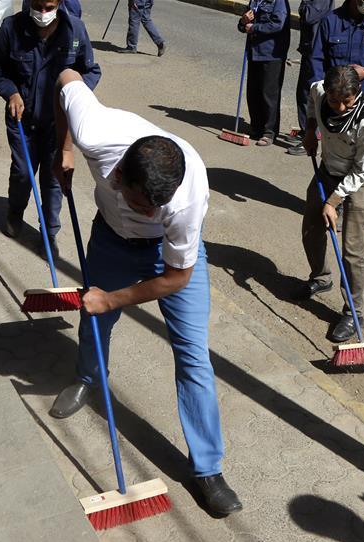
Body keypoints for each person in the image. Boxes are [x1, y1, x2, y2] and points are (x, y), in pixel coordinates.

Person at [49, 68, 242, 516]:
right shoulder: (96, 133)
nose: (149, 211)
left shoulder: (187, 198)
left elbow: (176, 279)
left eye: (156, 208)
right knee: (93, 322)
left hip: (166, 260)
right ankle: (87, 378)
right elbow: (66, 77)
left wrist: (113, 297)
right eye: (142, 203)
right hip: (111, 242)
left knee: (193, 351)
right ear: (122, 177)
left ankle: (207, 468)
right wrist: (64, 148)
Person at [0, 0, 100, 258]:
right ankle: (15, 213)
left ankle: (49, 233)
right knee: (23, 174)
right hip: (22, 120)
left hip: (56, 124)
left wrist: (75, 95)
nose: (43, 13)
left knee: (53, 179)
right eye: (38, 5)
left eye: (49, 6)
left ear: (59, 3)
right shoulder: (12, 28)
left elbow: (90, 71)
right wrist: (11, 92)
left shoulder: (75, 31)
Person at [296, 66, 364, 342]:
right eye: (335, 101)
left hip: (360, 179)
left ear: (357, 94)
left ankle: (353, 312)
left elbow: (360, 171)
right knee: (311, 227)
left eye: (347, 101)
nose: (340, 107)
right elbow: (311, 102)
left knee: (352, 249)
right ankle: (321, 278)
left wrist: (334, 202)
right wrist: (310, 131)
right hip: (328, 168)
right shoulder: (320, 90)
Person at [311, 0, 364, 240]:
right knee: (338, 156)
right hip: (337, 104)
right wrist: (320, 95)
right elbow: (317, 61)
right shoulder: (331, 21)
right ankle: (335, 205)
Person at [238, 0, 291, 147]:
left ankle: (269, 132)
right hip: (254, 51)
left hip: (272, 53)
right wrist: (243, 21)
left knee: (269, 93)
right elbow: (243, 25)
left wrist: (254, 27)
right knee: (253, 92)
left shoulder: (279, 2)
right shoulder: (255, 0)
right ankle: (256, 126)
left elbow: (278, 24)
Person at [286, 0, 334, 156]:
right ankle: (305, 131)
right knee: (302, 94)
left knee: (310, 95)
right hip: (309, 49)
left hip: (316, 52)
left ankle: (310, 136)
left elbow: (309, 15)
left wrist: (304, 4)